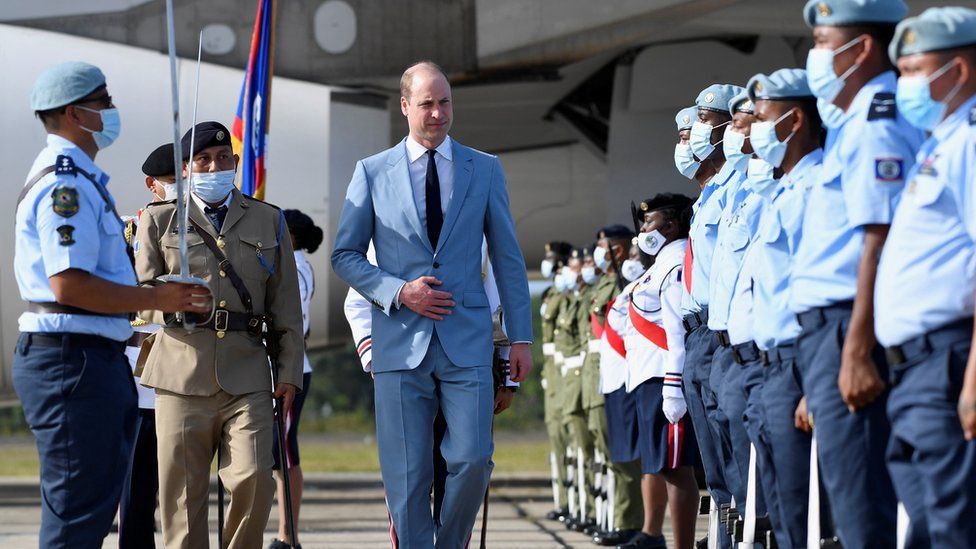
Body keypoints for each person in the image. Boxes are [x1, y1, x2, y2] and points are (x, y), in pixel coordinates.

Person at [330, 60, 533, 548]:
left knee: (472, 457)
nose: (438, 113)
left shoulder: (484, 168)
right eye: (427, 103)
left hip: (467, 340)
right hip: (400, 340)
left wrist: (520, 338)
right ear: (405, 107)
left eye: (445, 102)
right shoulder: (372, 172)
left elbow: (507, 257)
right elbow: (344, 256)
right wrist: (399, 291)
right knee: (407, 474)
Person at [13, 61, 210, 549]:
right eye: (103, 102)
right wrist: (156, 299)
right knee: (78, 520)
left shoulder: (81, 179)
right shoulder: (68, 187)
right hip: (72, 360)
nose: (112, 111)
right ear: (74, 113)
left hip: (85, 357)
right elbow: (70, 285)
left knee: (91, 508)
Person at [134, 121, 305, 548]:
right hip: (179, 372)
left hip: (247, 373)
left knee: (255, 481)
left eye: (223, 158)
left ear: (235, 162)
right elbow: (139, 300)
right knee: (182, 499)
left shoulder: (268, 220)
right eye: (204, 160)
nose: (215, 166)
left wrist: (288, 372)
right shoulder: (158, 221)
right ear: (187, 168)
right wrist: (173, 297)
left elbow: (285, 303)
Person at [794, 1, 925, 546]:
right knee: (854, 491)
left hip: (848, 323)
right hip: (831, 330)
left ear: (862, 49)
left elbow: (880, 236)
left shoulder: (878, 119)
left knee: (861, 502)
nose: (816, 56)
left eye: (824, 42)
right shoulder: (855, 122)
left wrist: (855, 348)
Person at [879, 8, 976, 546]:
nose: (903, 84)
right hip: (915, 371)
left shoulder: (970, 142)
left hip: (948, 365)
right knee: (932, 526)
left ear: (958, 71)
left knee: (954, 526)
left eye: (915, 70)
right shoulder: (938, 144)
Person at [735, 69, 823, 548]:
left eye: (762, 119)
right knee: (779, 503)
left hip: (797, 363)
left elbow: (822, 291)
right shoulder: (782, 189)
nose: (753, 133)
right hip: (768, 368)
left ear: (792, 122)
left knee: (804, 508)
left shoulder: (816, 188)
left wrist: (813, 379)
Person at [624, 194, 700, 549]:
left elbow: (675, 329)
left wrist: (673, 385)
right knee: (663, 465)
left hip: (662, 378)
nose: (642, 230)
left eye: (649, 223)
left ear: (670, 226)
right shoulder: (660, 263)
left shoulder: (674, 263)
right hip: (647, 378)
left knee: (676, 467)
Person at [118, 143, 179, 548]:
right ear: (152, 185)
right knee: (137, 488)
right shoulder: (128, 229)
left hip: (189, 371)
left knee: (183, 489)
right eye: (173, 182)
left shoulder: (209, 230)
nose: (181, 189)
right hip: (142, 377)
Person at [266, 209, 323, 549]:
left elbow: (290, 321)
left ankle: (289, 535)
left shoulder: (296, 268)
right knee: (276, 455)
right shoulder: (291, 265)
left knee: (284, 454)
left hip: (289, 371)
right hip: (280, 368)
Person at [592, 227, 646, 547]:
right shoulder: (608, 283)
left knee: (627, 457)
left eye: (605, 248)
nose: (600, 254)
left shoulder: (625, 282)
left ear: (620, 250)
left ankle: (631, 523)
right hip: (611, 374)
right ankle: (624, 520)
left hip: (625, 374)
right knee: (617, 454)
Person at [556, 248, 597, 532]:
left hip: (586, 376)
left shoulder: (587, 298)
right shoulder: (566, 299)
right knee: (574, 446)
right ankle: (583, 508)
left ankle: (595, 511)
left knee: (593, 449)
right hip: (569, 378)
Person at [538, 241, 575, 522]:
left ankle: (576, 504)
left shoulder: (568, 296)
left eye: (553, 260)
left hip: (570, 373)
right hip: (552, 373)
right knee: (558, 441)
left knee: (576, 443)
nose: (548, 264)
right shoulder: (550, 294)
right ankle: (564, 500)